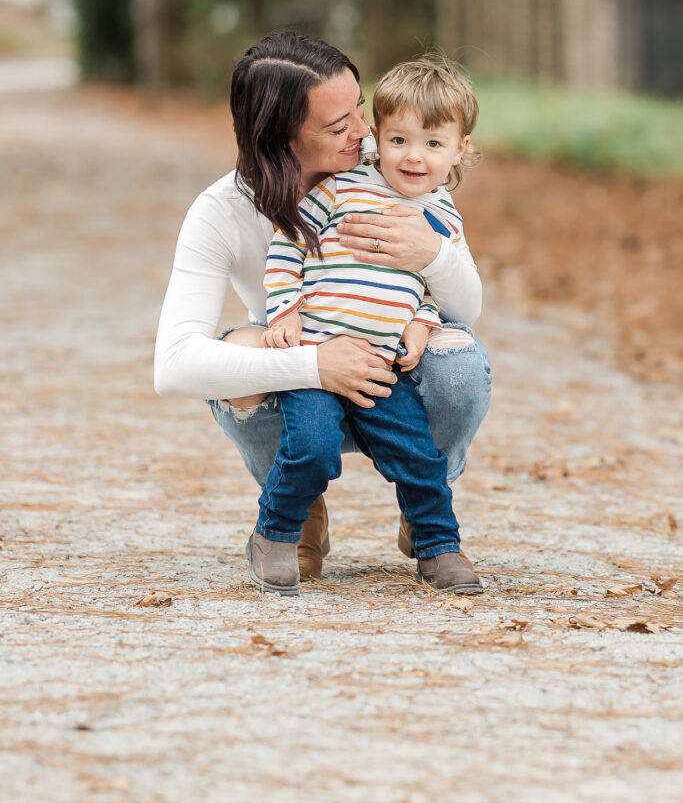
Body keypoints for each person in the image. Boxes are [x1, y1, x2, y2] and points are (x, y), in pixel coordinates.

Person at [154, 33, 491, 585]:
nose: (364, 132)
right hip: (302, 381)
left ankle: (427, 505)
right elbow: (173, 367)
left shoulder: (396, 172)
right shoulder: (221, 212)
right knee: (242, 349)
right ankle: (297, 515)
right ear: (280, 136)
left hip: (385, 368)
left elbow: (465, 308)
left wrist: (431, 256)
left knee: (458, 359)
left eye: (360, 110)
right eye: (340, 127)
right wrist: (314, 363)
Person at [248, 58, 483, 596]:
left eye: (433, 144)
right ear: (377, 137)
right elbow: (288, 244)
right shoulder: (341, 187)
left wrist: (422, 326)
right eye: (399, 139)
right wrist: (284, 309)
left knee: (419, 456)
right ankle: (275, 535)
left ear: (460, 149)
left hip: (382, 363)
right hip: (318, 355)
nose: (414, 156)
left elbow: (430, 289)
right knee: (311, 446)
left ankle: (437, 546)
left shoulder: (443, 215)